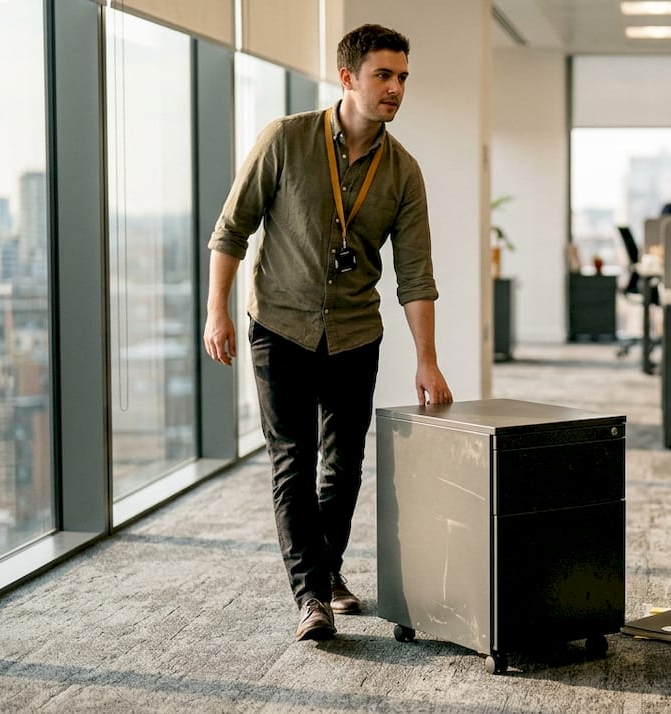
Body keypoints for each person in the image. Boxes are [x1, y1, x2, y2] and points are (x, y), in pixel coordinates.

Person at [203, 23, 453, 642]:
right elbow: (231, 229)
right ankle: (312, 595)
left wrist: (428, 359)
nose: (395, 89)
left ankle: (327, 571)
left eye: (401, 79)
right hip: (278, 326)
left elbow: (416, 275)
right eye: (383, 76)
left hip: (353, 334)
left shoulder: (403, 172)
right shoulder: (285, 141)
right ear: (348, 77)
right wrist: (217, 310)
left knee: (343, 465)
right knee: (292, 459)